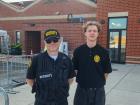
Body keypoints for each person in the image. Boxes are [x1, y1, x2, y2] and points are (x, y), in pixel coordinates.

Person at [26, 29, 75, 105]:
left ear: (59, 41)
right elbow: (29, 79)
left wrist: (62, 89)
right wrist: (41, 90)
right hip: (42, 102)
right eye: (49, 41)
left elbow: (70, 78)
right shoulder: (36, 59)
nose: (52, 43)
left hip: (61, 101)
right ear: (45, 42)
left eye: (55, 40)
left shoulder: (66, 59)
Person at [72, 21, 112, 105]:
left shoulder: (104, 52)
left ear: (98, 33)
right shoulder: (78, 51)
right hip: (81, 90)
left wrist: (97, 82)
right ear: (85, 33)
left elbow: (106, 72)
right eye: (89, 31)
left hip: (98, 91)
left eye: (94, 31)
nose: (92, 33)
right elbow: (74, 70)